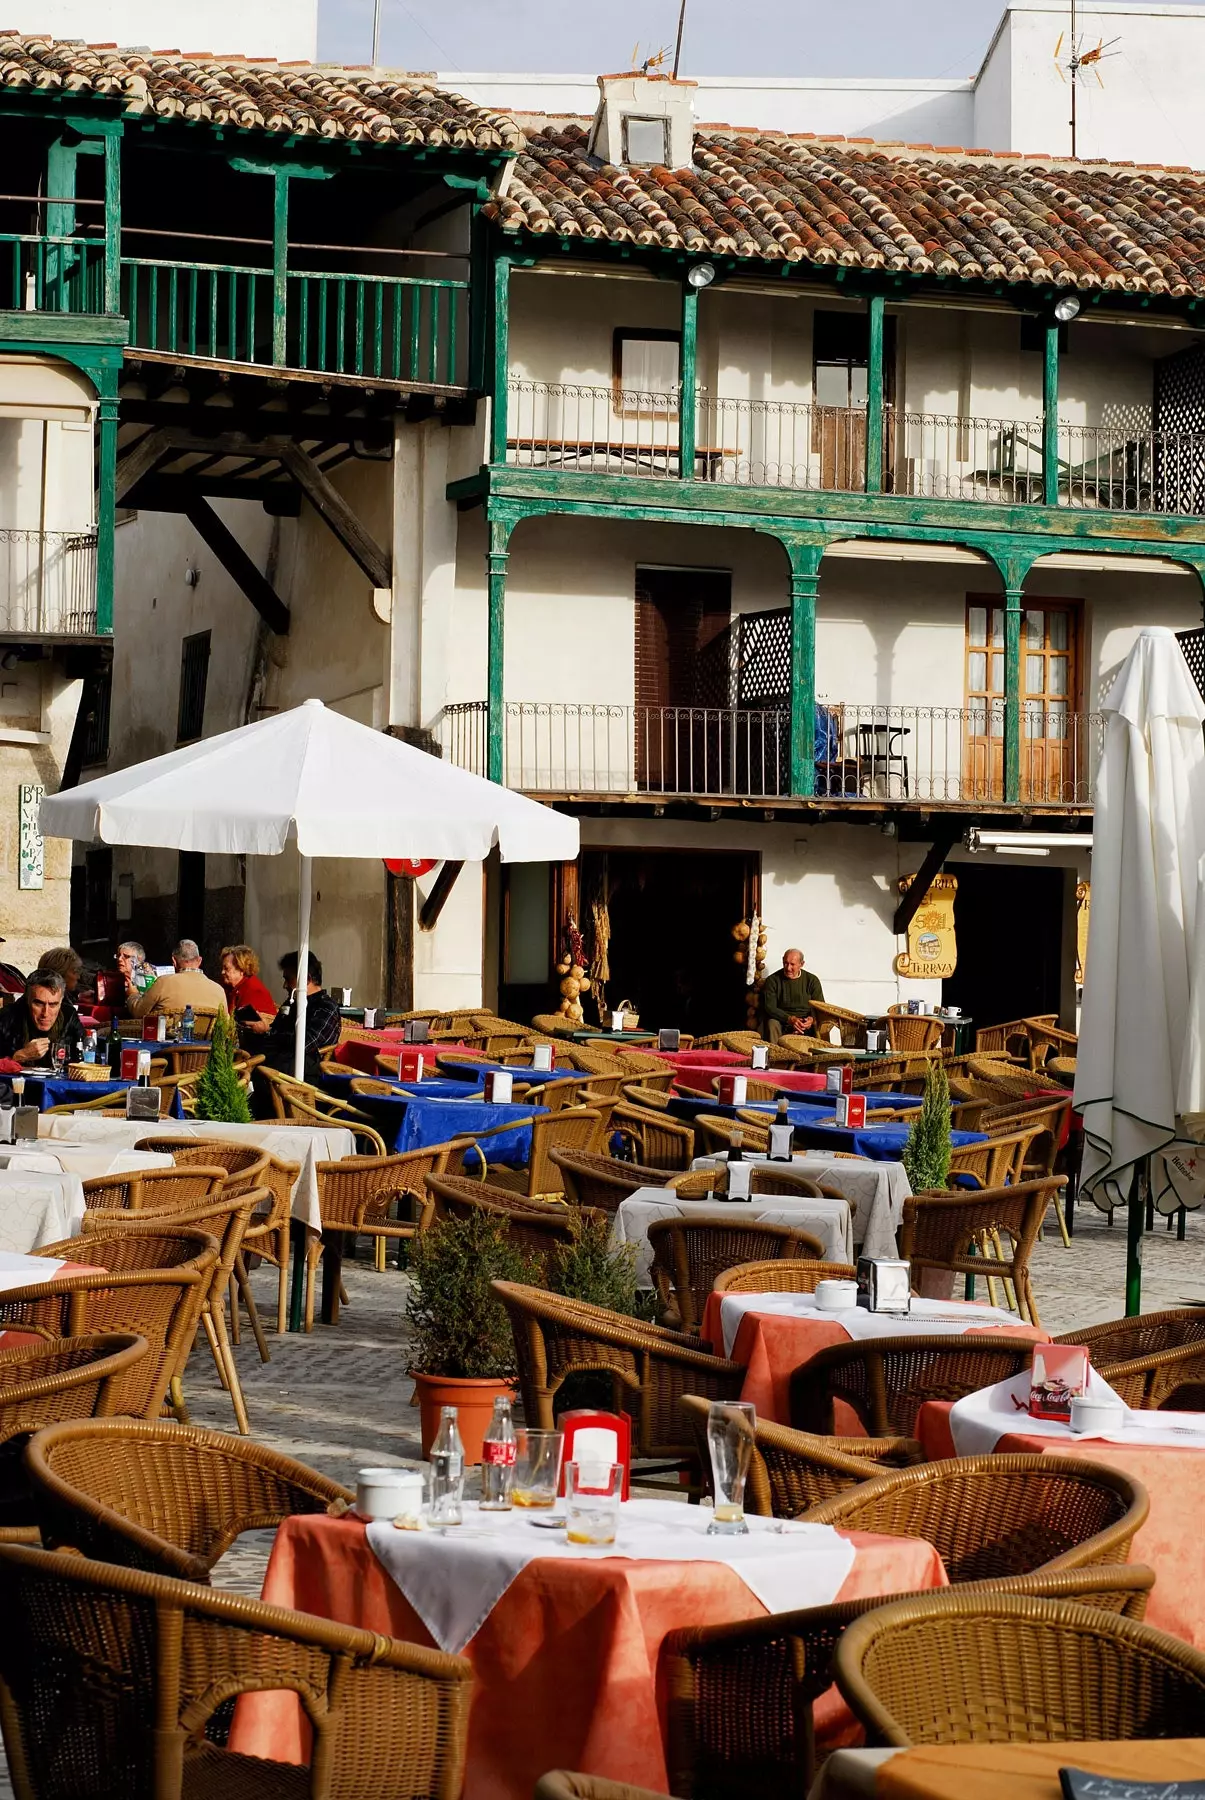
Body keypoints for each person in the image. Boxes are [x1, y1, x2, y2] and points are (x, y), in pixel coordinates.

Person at [247, 951, 341, 1114]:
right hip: (276, 1068)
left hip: (302, 1074)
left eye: (288, 979)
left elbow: (306, 1042)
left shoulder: (326, 1007)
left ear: (306, 979)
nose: (284, 985)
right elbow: (276, 1032)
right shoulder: (291, 1003)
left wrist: (269, 1032)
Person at [0, 969, 81, 1071]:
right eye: (38, 1003)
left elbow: (88, 1058)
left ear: (61, 1001)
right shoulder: (7, 1017)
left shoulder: (69, 1016)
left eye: (53, 1005)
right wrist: (20, 1056)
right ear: (27, 1000)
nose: (45, 1013)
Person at [126, 939, 227, 1020]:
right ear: (199, 960)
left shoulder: (163, 983)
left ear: (174, 960)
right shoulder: (219, 990)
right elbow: (226, 1024)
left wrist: (132, 995)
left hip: (167, 1043)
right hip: (206, 1045)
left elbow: (138, 1013)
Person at [759, 948, 825, 1043]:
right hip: (782, 1021)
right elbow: (770, 1007)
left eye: (792, 964)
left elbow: (820, 1007)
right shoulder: (773, 980)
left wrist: (811, 1019)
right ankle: (776, 1055)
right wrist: (790, 1019)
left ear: (801, 964)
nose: (788, 968)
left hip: (804, 1024)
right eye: (785, 963)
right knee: (771, 1023)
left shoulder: (812, 980)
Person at [220, 944, 278, 1023]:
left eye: (226, 968)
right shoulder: (229, 987)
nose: (222, 972)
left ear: (242, 969)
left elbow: (243, 1025)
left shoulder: (254, 990)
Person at [116, 940, 154, 1005]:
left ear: (139, 960)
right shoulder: (113, 981)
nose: (119, 959)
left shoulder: (150, 982)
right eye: (118, 955)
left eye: (126, 956)